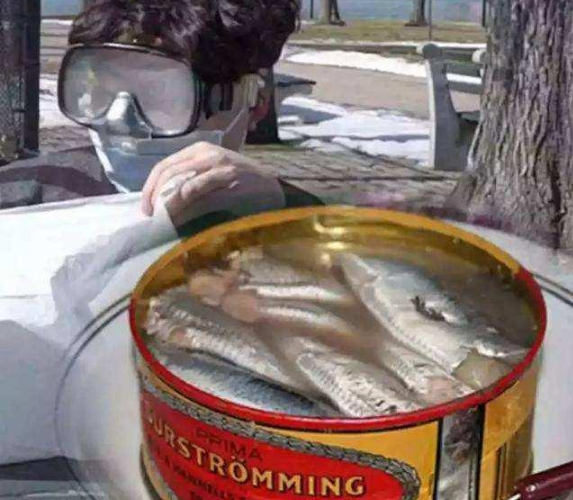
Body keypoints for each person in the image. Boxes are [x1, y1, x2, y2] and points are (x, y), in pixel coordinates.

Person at [0, 0, 322, 233]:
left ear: (256, 104)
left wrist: (285, 217)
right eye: (103, 87)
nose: (120, 120)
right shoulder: (22, 199)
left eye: (161, 94)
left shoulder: (296, 230)